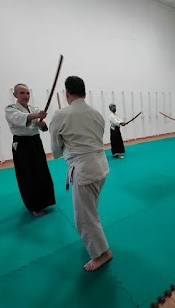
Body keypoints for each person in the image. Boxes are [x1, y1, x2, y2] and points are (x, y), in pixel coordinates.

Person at [49, 76, 111, 271]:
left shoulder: (61, 115)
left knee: (84, 216)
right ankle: (96, 244)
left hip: (84, 171)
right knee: (90, 210)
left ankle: (102, 254)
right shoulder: (97, 114)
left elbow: (56, 150)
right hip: (101, 167)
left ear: (67, 93)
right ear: (84, 92)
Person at [5, 84, 56, 216]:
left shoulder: (33, 108)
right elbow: (19, 118)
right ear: (15, 95)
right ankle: (34, 205)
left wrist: (42, 123)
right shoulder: (11, 109)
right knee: (27, 174)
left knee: (42, 170)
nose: (26, 96)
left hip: (35, 142)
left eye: (27, 93)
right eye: (22, 93)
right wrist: (36, 115)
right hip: (21, 144)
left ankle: (45, 201)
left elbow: (43, 128)